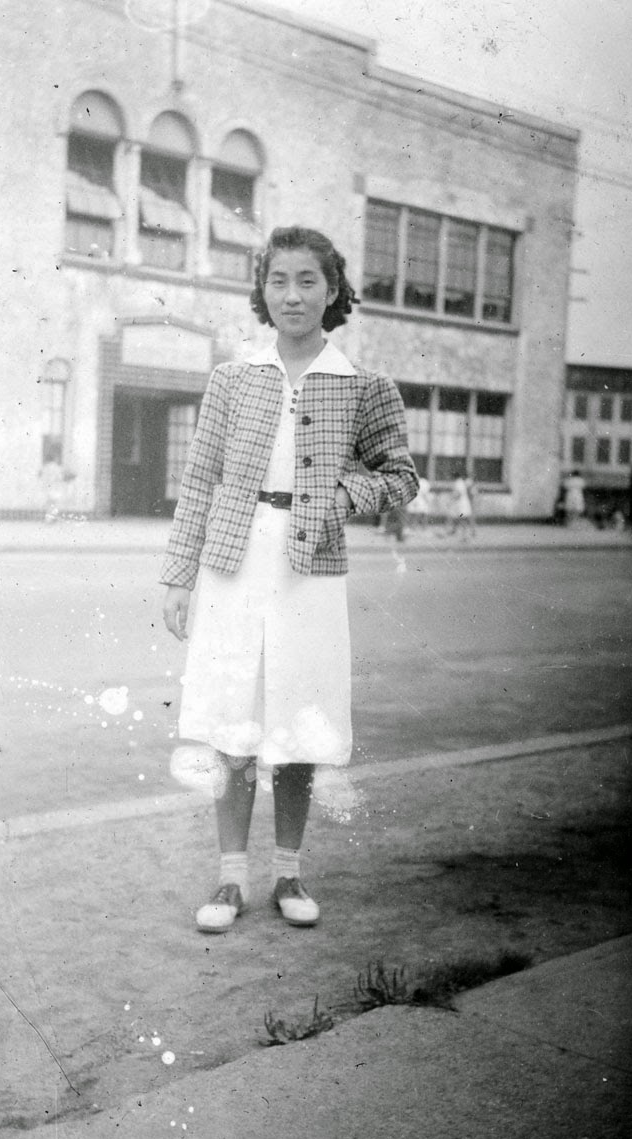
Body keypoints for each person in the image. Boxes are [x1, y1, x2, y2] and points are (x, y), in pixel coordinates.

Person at [161, 226, 418, 934]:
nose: (293, 294)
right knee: (233, 718)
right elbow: (199, 479)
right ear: (262, 290)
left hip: (310, 572)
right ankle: (229, 878)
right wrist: (179, 577)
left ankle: (288, 871)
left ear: (333, 292)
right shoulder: (232, 377)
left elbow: (401, 476)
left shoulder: (363, 385)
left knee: (298, 719)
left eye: (309, 281)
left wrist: (340, 498)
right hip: (233, 565)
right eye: (279, 280)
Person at [445, 473, 476, 541]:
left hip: (461, 506)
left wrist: (451, 500)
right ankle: (455, 531)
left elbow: (458, 494)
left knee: (462, 519)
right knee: (460, 518)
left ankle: (464, 536)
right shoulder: (461, 482)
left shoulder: (458, 483)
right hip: (462, 506)